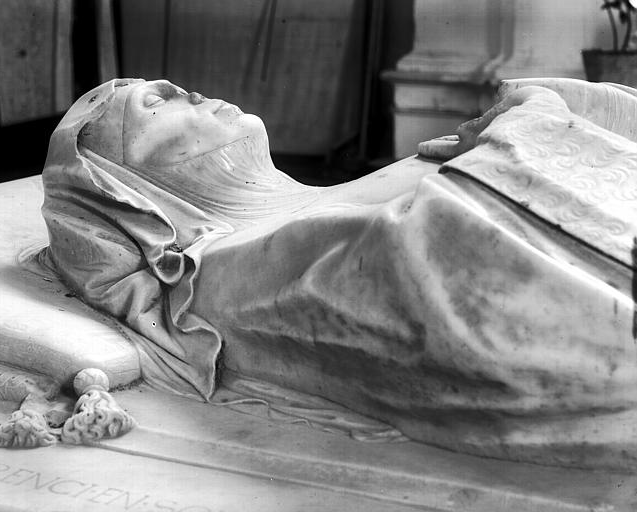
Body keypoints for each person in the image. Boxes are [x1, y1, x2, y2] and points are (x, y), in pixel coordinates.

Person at [41, 77, 637, 469]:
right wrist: (535, 120)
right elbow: (473, 278)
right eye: (153, 103)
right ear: (128, 193)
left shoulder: (331, 198)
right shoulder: (222, 269)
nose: (184, 89)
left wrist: (536, 109)